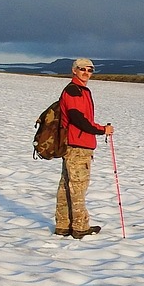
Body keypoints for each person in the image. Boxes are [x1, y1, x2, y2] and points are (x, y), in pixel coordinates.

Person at [54, 58, 114, 238]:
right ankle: (80, 227)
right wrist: (102, 129)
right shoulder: (73, 91)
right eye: (82, 69)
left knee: (66, 185)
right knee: (77, 187)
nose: (86, 72)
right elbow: (78, 119)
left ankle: (63, 225)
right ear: (74, 70)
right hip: (78, 146)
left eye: (90, 70)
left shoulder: (80, 90)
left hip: (73, 145)